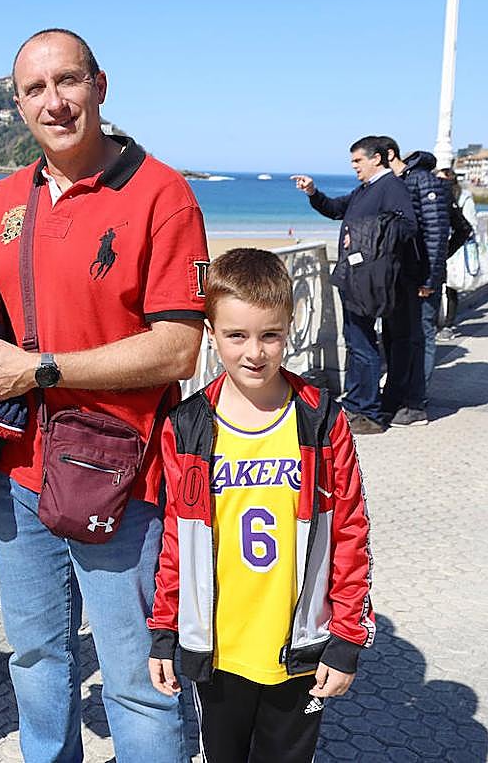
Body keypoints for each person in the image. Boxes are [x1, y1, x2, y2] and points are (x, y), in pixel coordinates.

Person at [0, 28, 207, 761]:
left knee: (137, 680)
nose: (54, 102)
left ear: (101, 85)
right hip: (20, 475)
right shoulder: (1, 202)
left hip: (122, 474)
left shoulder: (162, 193)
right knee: (36, 664)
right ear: (17, 104)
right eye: (35, 89)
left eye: (68, 81)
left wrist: (40, 369)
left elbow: (179, 346)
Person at [148, 248, 374, 763]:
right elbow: (174, 540)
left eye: (270, 335)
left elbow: (350, 533)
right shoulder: (187, 426)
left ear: (290, 326)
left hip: (298, 650)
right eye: (237, 335)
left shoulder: (321, 422)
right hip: (219, 649)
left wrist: (346, 638)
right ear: (211, 332)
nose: (255, 352)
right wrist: (164, 632)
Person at [292, 137, 417, 434]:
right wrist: (313, 193)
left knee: (363, 345)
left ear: (376, 159)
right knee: (355, 341)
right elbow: (336, 209)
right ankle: (356, 403)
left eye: (358, 161)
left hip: (372, 280)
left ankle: (370, 413)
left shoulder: (392, 187)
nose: (355, 167)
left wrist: (361, 235)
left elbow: (407, 227)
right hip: (356, 277)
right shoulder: (366, 189)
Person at [384, 138, 448, 426]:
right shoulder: (405, 181)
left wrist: (431, 277)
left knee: (421, 336)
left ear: (388, 155)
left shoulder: (423, 180)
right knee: (406, 338)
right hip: (407, 276)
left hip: (422, 278)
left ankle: (416, 404)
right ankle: (403, 396)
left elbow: (435, 235)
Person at [440, 168, 479, 332]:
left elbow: (469, 225)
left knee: (451, 286)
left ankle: (448, 324)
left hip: (456, 248)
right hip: (443, 245)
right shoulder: (442, 197)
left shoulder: (463, 197)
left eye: (442, 180)